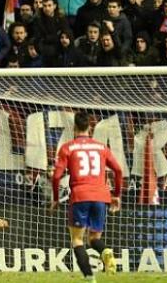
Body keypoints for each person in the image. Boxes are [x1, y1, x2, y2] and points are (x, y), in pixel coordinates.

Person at [50, 111, 123, 283]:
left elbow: (56, 176)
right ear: (90, 127)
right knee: (94, 238)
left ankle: (90, 278)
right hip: (101, 195)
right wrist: (117, 195)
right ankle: (105, 251)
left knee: (77, 240)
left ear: (74, 128)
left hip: (80, 195)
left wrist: (55, 198)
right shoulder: (102, 147)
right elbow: (118, 171)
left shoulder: (68, 147)